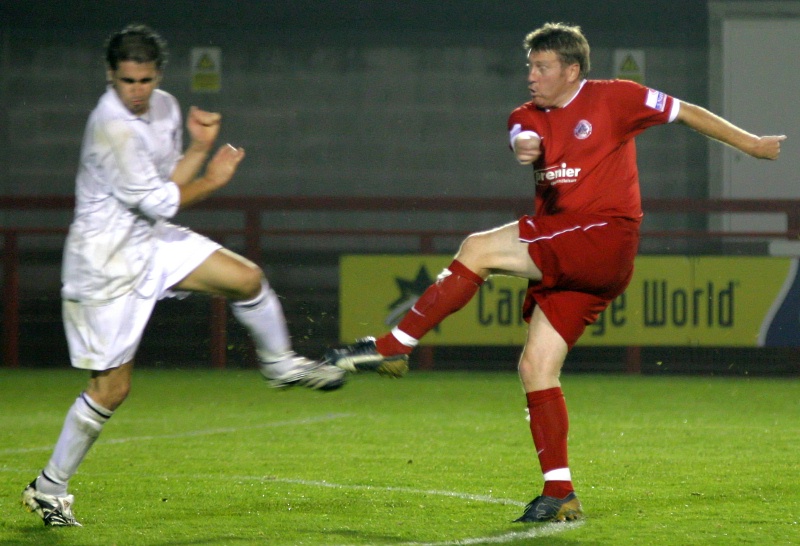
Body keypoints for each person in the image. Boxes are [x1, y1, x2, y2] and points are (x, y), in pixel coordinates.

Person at [326, 22, 786, 523]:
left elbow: (686, 112)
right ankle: (560, 492)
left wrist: (754, 145)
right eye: (529, 66)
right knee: (535, 368)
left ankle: (394, 347)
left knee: (477, 249)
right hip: (573, 254)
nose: (532, 75)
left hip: (604, 238)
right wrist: (525, 145)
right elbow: (522, 135)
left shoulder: (618, 98)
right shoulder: (525, 115)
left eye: (542, 67)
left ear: (572, 69)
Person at [22, 23, 345, 527]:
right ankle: (49, 487)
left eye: (146, 80)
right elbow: (160, 201)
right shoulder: (109, 127)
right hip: (105, 262)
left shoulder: (167, 106)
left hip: (149, 241)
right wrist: (213, 176)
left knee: (246, 278)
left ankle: (280, 364)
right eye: (128, 81)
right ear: (111, 75)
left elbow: (164, 186)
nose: (137, 91)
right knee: (112, 389)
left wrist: (198, 147)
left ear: (158, 76)